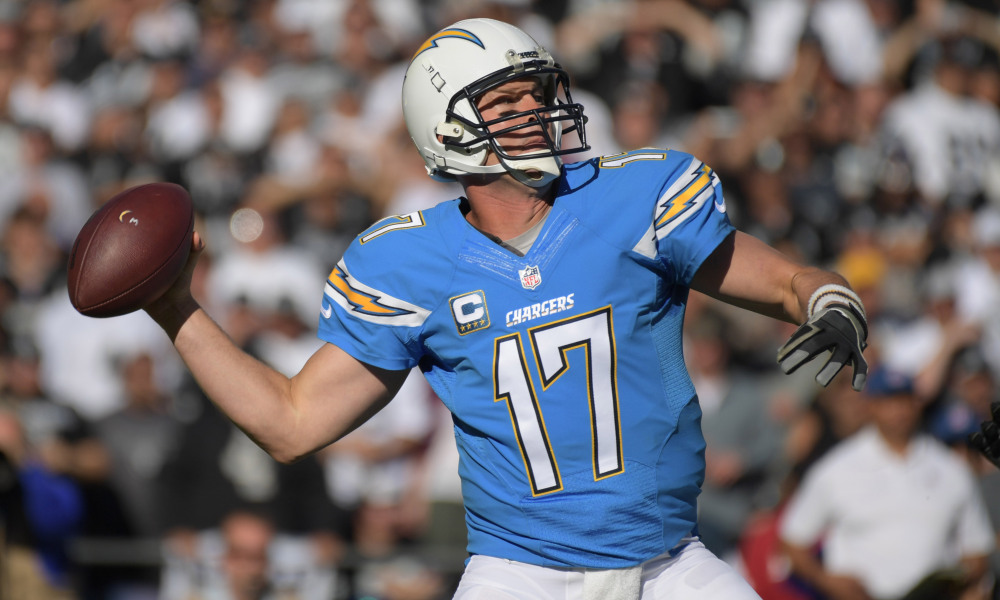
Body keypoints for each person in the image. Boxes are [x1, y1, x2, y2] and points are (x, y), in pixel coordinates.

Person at [142, 18, 868, 600]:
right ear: (447, 130)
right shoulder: (407, 263)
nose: (537, 111)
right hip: (522, 574)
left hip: (667, 565)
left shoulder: (630, 200)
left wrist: (827, 297)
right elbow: (291, 423)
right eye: (507, 102)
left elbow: (784, 282)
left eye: (538, 94)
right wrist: (178, 310)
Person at [779, 368, 995, 600]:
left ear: (916, 403)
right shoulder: (836, 468)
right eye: (888, 402)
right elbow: (793, 541)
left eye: (904, 400)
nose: (898, 411)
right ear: (870, 406)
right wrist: (826, 580)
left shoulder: (950, 469)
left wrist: (963, 581)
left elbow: (977, 547)